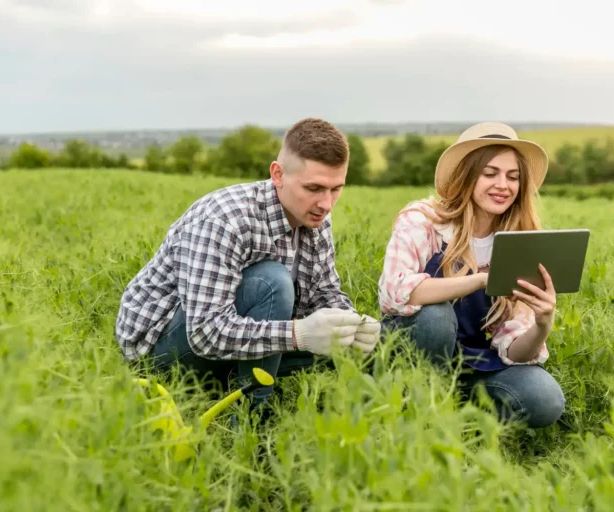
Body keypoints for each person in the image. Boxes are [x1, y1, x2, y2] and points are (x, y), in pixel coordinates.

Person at [115, 118, 381, 408]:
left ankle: (241, 384)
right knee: (272, 282)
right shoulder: (224, 220)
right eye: (314, 188)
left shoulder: (315, 218)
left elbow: (323, 293)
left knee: (333, 339)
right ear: (277, 175)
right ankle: (251, 420)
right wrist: (298, 335)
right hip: (162, 353)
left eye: (336, 189)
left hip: (229, 347)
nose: (326, 204)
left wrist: (353, 324)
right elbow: (204, 333)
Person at [378, 122, 565, 429]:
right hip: (413, 350)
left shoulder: (520, 240)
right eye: (490, 173)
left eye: (513, 177)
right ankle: (413, 408)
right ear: (466, 175)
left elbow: (515, 348)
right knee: (436, 318)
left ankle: (461, 414)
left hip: (475, 363)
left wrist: (542, 325)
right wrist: (480, 280)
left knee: (545, 400)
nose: (503, 185)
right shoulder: (424, 221)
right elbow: (393, 292)